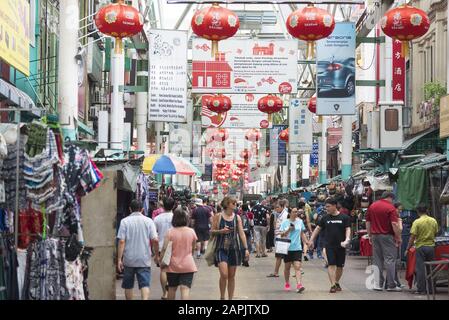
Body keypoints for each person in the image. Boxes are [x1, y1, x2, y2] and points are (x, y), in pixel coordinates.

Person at [117, 200, 159, 300]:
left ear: (130, 209)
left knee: (128, 285)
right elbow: (155, 240)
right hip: (144, 259)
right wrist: (156, 254)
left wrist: (119, 259)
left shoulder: (124, 221)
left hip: (129, 259)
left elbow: (122, 241)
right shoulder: (149, 221)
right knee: (144, 284)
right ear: (142, 209)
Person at [309, 198, 351, 293]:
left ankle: (336, 282)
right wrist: (311, 240)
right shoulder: (325, 218)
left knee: (340, 266)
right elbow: (317, 229)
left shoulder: (344, 217)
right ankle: (332, 285)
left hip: (341, 246)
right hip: (329, 245)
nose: (326, 208)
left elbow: (348, 229)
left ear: (334, 206)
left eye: (328, 206)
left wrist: (347, 239)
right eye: (325, 206)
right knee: (331, 264)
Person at [211, 197, 250, 300]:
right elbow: (212, 231)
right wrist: (221, 231)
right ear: (227, 204)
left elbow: (241, 233)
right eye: (233, 203)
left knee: (231, 276)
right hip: (221, 248)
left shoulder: (237, 218)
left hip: (234, 249)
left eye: (236, 203)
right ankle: (222, 297)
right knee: (224, 274)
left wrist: (246, 248)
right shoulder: (218, 216)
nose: (235, 205)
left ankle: (230, 298)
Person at [366, 192, 402, 292]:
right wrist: (398, 237)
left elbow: (368, 222)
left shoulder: (372, 206)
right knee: (390, 259)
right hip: (387, 236)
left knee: (377, 260)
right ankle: (391, 285)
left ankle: (377, 284)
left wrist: (369, 235)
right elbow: (394, 224)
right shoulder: (390, 208)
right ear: (390, 198)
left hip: (375, 235)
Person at [161, 208, 198, 300]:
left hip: (173, 265)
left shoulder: (170, 232)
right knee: (185, 289)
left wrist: (161, 260)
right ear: (186, 219)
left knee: (172, 289)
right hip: (188, 265)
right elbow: (193, 248)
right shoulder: (191, 231)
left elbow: (164, 248)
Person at [406, 203, 439, 294]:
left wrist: (407, 248)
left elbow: (412, 237)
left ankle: (422, 290)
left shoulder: (417, 222)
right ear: (426, 210)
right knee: (431, 268)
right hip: (431, 247)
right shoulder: (433, 220)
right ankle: (432, 289)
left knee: (420, 269)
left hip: (420, 247)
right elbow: (436, 233)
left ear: (418, 212)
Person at [280, 208, 308, 293]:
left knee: (297, 266)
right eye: (294, 212)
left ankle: (299, 285)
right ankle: (287, 283)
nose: (296, 213)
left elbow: (302, 233)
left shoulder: (300, 221)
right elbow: (281, 235)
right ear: (290, 213)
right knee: (287, 267)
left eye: (297, 212)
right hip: (287, 248)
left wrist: (306, 242)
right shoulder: (285, 222)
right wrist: (289, 229)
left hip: (297, 248)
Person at [153, 197, 176, 299]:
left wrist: (155, 254)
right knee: (172, 270)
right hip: (175, 246)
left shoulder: (157, 218)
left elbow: (155, 236)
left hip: (162, 246)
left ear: (163, 206)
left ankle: (165, 293)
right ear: (174, 206)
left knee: (163, 270)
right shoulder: (176, 217)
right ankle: (171, 292)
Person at [267, 199, 289, 278]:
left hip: (282, 238)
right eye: (275, 207)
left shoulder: (285, 215)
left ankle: (298, 269)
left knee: (281, 256)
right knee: (280, 256)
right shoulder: (280, 214)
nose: (276, 209)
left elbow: (286, 227)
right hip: (280, 238)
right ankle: (276, 272)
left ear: (282, 207)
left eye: (278, 207)